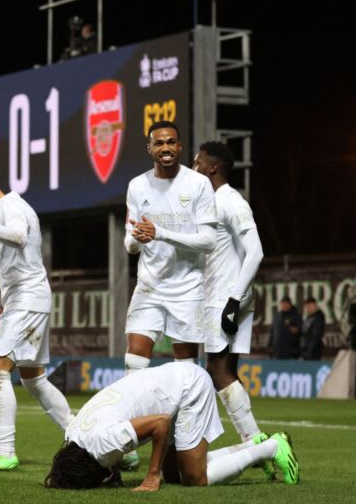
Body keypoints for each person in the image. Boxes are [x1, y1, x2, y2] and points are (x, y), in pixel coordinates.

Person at [0, 157, 75, 472]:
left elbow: (19, 236)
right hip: (27, 300)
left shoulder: (13, 207)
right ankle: (86, 436)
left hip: (27, 298)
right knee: (33, 380)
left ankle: (6, 452)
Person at [122, 120, 217, 469]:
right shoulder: (137, 186)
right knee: (134, 360)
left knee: (185, 369)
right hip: (149, 287)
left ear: (180, 147)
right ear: (149, 148)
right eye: (159, 143)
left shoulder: (198, 184)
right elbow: (130, 239)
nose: (165, 148)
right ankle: (129, 443)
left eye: (171, 143)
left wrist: (159, 233)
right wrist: (136, 240)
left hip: (187, 289)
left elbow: (208, 241)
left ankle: (178, 441)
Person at [44, 362, 299, 491]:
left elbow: (160, 423)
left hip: (188, 388)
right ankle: (252, 445)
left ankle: (273, 447)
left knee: (195, 478)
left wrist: (152, 475)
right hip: (169, 382)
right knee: (175, 475)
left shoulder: (101, 446)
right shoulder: (73, 435)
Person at [194, 142, 269, 456]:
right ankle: (253, 442)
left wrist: (234, 300)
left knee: (216, 369)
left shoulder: (231, 201)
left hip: (226, 296)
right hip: (226, 294)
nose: (194, 168)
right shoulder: (209, 202)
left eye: (198, 163)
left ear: (212, 167)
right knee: (224, 371)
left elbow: (256, 251)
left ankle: (256, 442)